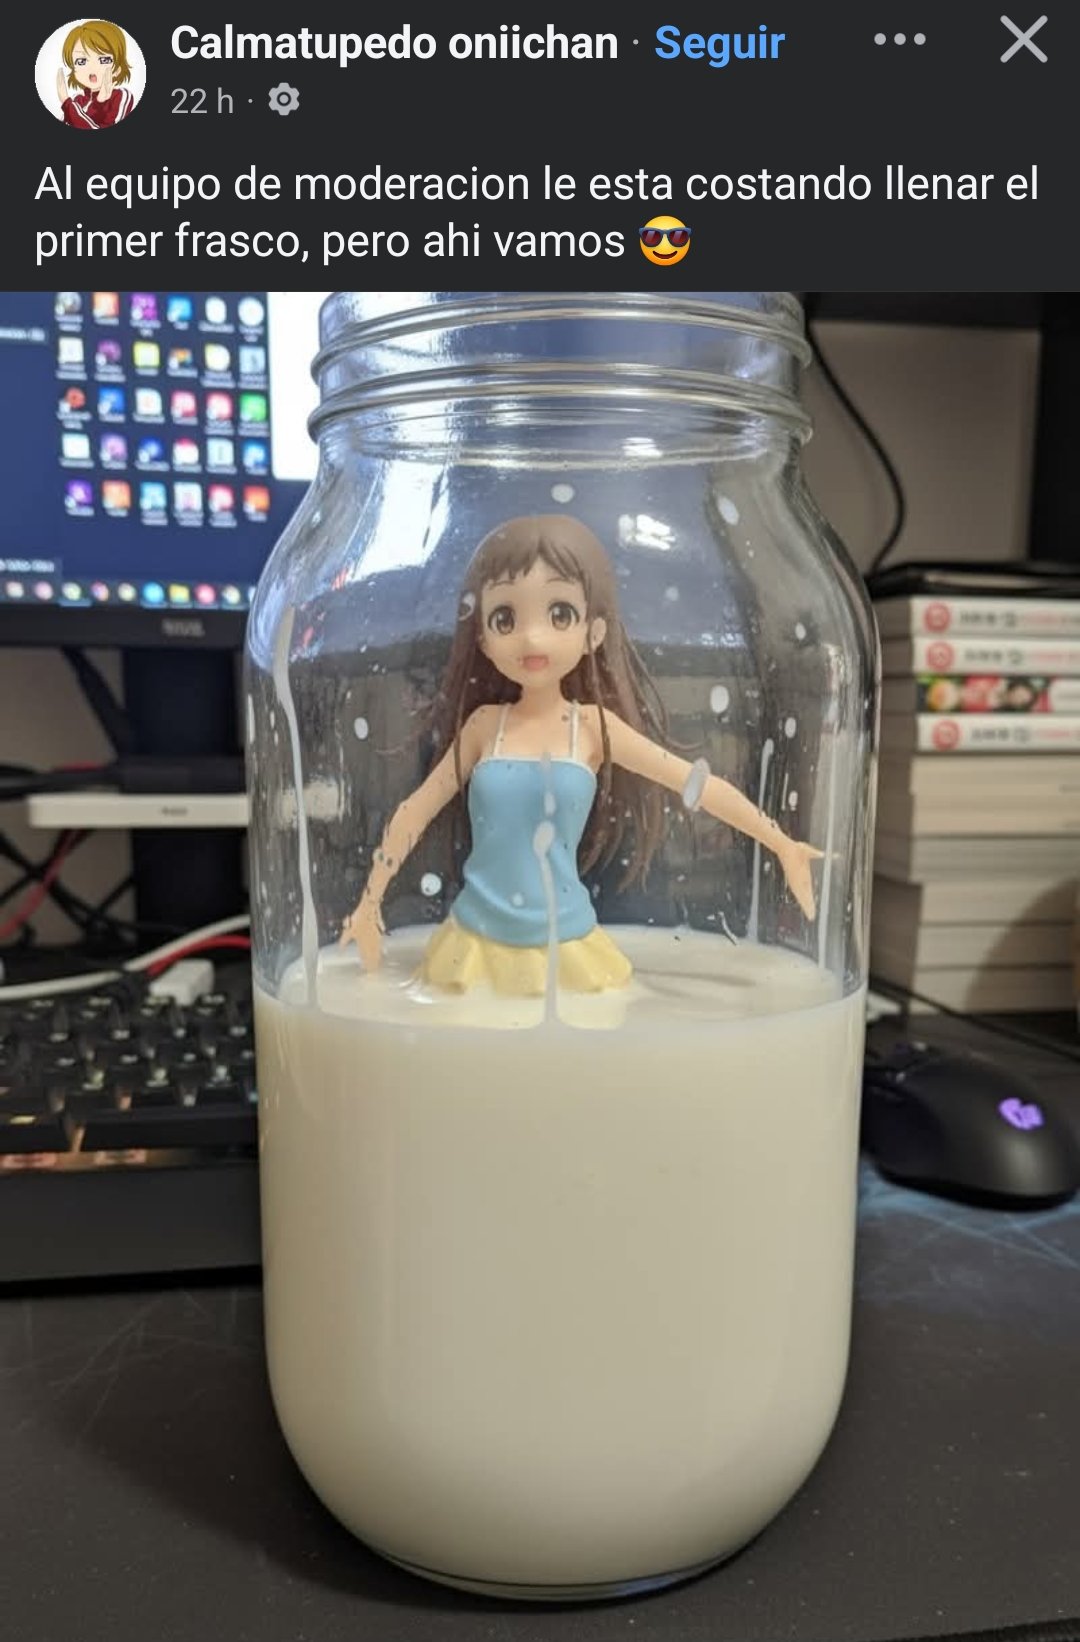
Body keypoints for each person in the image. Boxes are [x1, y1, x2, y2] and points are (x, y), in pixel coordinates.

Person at [340, 514, 822, 995]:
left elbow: (695, 785)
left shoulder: (592, 729)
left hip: (564, 943)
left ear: (593, 632)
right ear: (483, 638)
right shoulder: (485, 726)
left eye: (560, 614)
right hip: (473, 943)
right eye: (506, 618)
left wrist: (781, 843)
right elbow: (415, 812)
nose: (532, 637)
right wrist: (368, 902)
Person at [55, 20, 135, 130]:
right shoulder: (76, 100)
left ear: (117, 69)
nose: (92, 68)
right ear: (74, 70)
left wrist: (66, 102)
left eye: (103, 60)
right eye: (81, 61)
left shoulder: (121, 96)